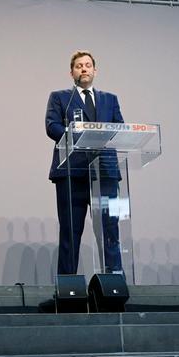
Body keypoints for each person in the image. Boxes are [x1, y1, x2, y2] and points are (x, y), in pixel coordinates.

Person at [45, 50, 124, 275]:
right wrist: (79, 136)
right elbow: (52, 126)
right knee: (71, 230)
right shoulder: (60, 97)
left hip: (105, 172)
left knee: (110, 229)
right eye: (79, 66)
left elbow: (119, 127)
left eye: (88, 65)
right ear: (72, 72)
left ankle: (114, 281)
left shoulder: (110, 99)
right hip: (72, 171)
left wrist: (99, 136)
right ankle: (69, 285)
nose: (84, 69)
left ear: (95, 70)